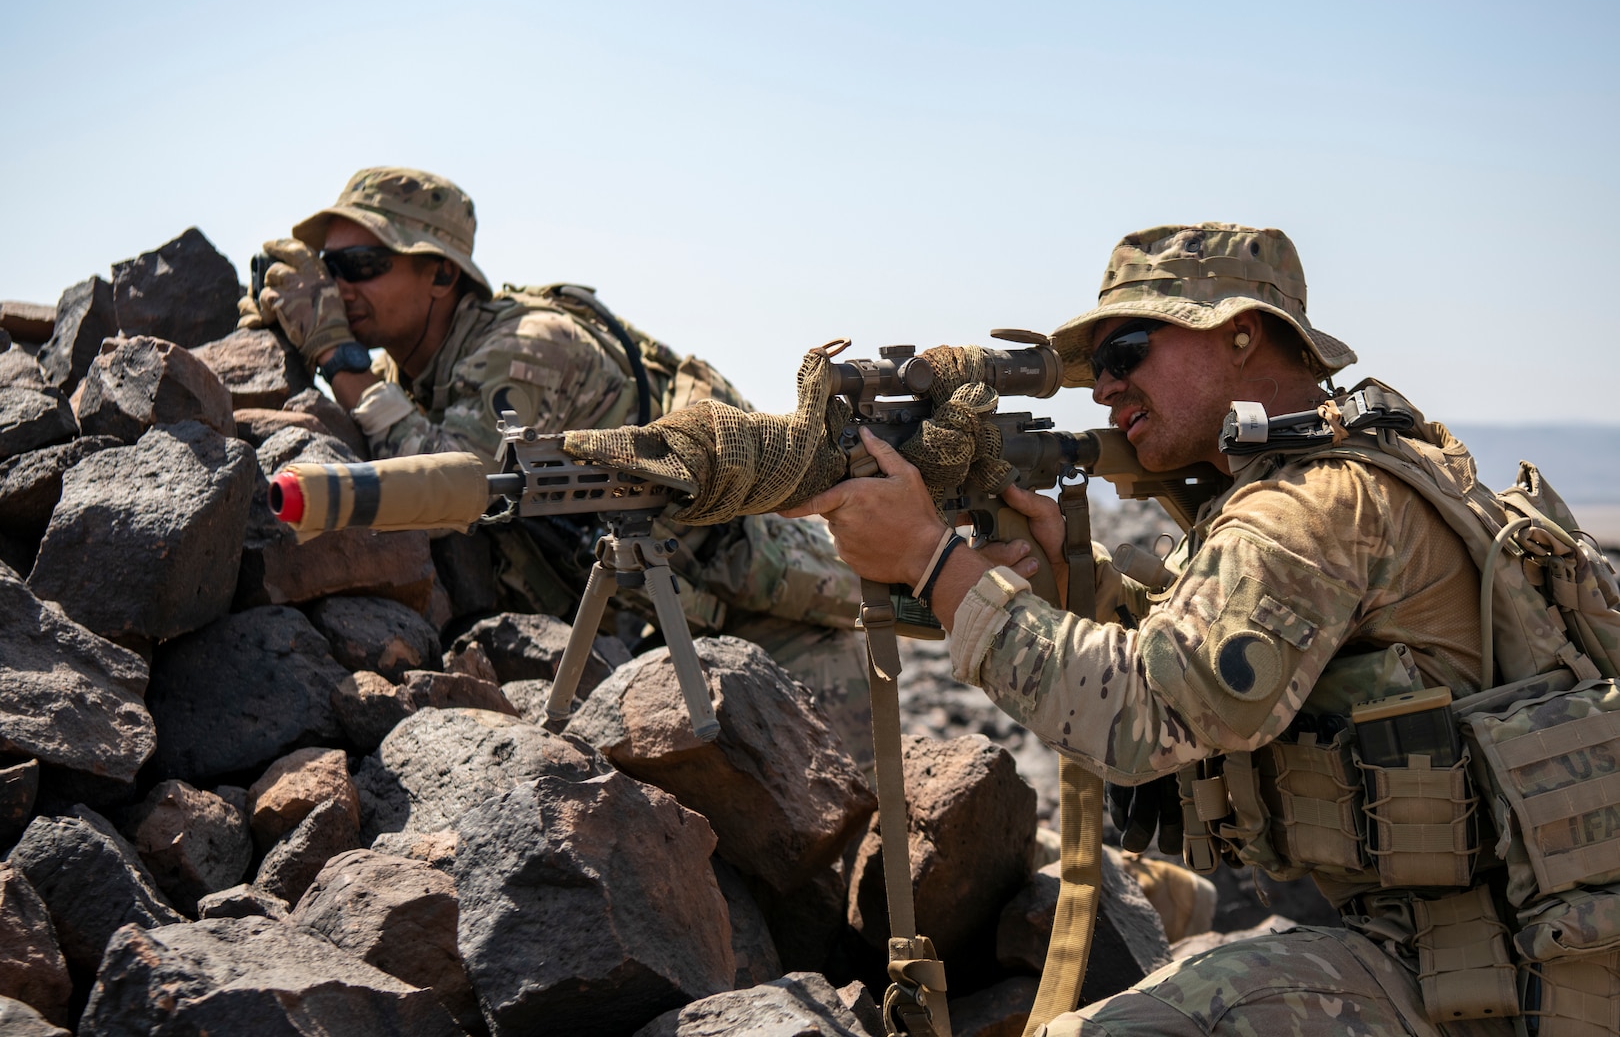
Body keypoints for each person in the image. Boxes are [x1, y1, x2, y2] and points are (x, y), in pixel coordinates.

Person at [784, 223, 1598, 1035]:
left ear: (1241, 333)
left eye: (1127, 351)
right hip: (1509, 942)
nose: (1103, 388)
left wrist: (935, 565)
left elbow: (1149, 715)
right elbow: (1204, 646)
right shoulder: (1344, 467)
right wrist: (1068, 582)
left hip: (1504, 969)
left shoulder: (1309, 506)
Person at [250, 166, 872, 763]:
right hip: (649, 623)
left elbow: (450, 487)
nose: (339, 288)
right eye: (327, 272)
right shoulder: (407, 376)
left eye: (362, 266)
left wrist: (337, 355)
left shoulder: (529, 346)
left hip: (765, 609)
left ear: (441, 274)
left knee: (850, 820)